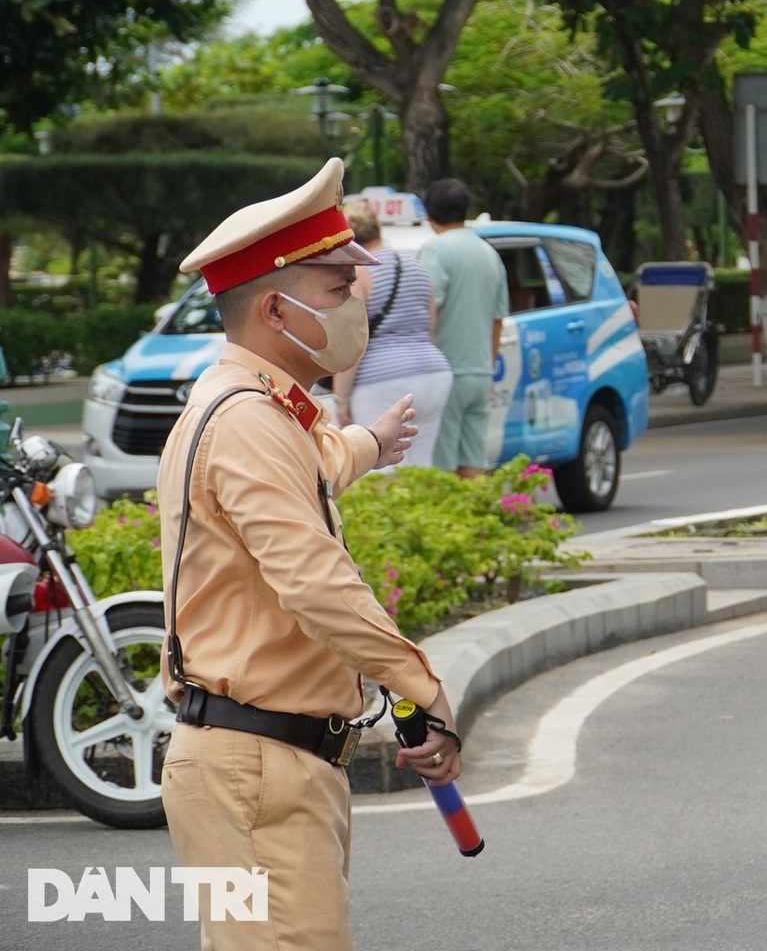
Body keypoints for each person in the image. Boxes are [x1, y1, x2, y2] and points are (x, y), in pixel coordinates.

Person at [158, 158, 462, 951]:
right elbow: (313, 579)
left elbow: (311, 468)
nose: (356, 301)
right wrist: (418, 684)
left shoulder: (258, 411)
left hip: (267, 762)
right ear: (274, 308)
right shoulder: (250, 422)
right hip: (257, 764)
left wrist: (365, 442)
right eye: (335, 289)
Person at [330, 199, 453, 469]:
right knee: (421, 468)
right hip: (433, 372)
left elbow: (355, 339)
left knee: (379, 469)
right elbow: (430, 326)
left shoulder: (360, 273)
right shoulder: (418, 266)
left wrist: (341, 398)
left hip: (382, 381)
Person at [417, 178, 508, 478]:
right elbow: (498, 320)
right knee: (473, 461)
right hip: (480, 372)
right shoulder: (489, 254)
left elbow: (428, 309)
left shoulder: (435, 251)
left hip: (445, 369)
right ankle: (475, 523)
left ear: (428, 215)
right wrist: (489, 367)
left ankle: (447, 524)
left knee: (440, 466)